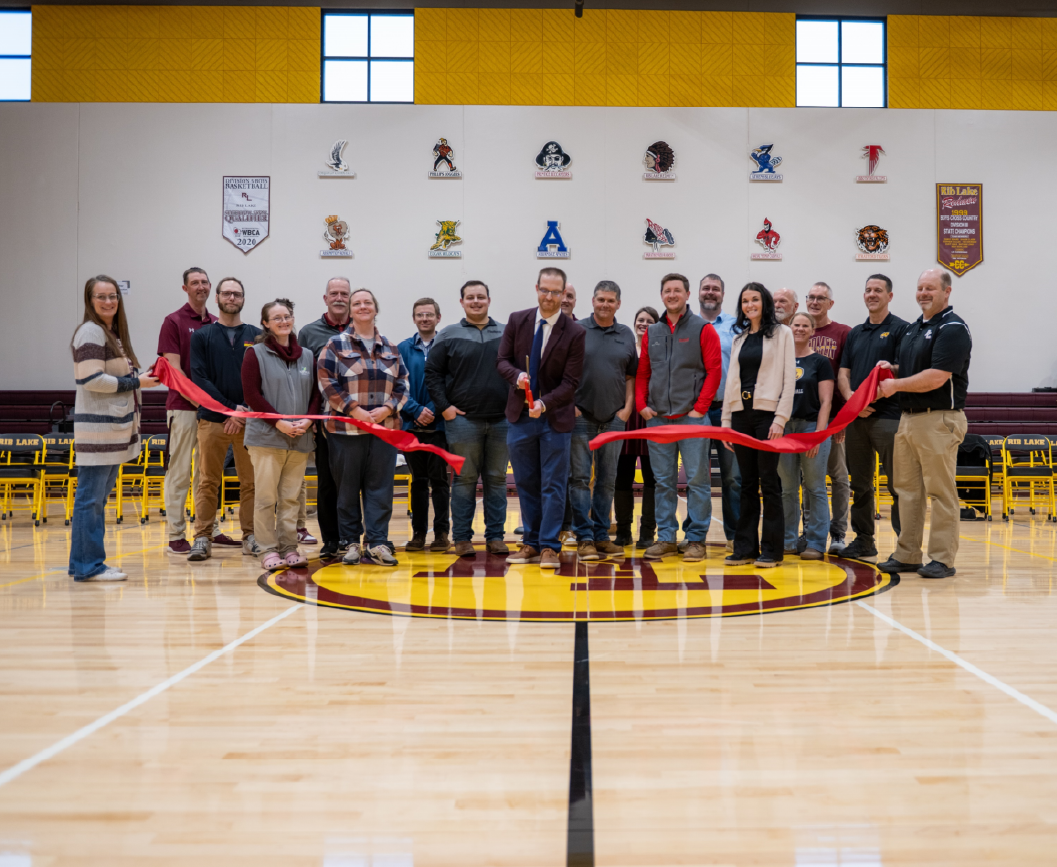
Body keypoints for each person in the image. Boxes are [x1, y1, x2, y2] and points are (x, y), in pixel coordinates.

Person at [875, 269, 971, 580]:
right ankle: (907, 553)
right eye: (919, 288)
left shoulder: (953, 329)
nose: (923, 294)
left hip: (939, 419)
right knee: (907, 491)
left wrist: (896, 384)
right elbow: (917, 368)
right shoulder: (916, 328)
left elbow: (937, 376)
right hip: (908, 419)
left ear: (947, 291)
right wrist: (894, 368)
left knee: (941, 492)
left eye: (930, 288)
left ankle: (942, 558)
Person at [69, 276, 160, 581]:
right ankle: (88, 566)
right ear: (90, 300)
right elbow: (91, 380)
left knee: (95, 501)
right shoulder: (91, 332)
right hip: (98, 434)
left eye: (113, 296)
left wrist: (141, 375)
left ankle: (86, 563)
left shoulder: (110, 334)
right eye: (101, 297)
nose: (108, 302)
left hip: (112, 434)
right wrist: (136, 382)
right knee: (90, 502)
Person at [496, 267, 586, 569]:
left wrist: (544, 404)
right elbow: (502, 361)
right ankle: (531, 543)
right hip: (519, 417)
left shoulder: (575, 332)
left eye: (555, 292)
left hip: (554, 419)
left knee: (554, 484)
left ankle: (549, 546)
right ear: (536, 289)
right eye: (544, 290)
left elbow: (571, 382)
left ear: (563, 295)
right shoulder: (517, 320)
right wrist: (517, 376)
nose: (549, 297)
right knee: (526, 482)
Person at [318, 288, 409, 567]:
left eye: (367, 302)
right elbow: (326, 382)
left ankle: (378, 543)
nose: (362, 306)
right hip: (346, 432)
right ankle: (350, 544)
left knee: (380, 489)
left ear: (375, 308)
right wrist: (355, 410)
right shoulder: (334, 345)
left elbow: (403, 386)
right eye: (356, 303)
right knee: (346, 490)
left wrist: (386, 410)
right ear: (350, 310)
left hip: (383, 431)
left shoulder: (392, 348)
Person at [635, 273, 722, 562]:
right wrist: (641, 405)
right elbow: (644, 372)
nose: (672, 295)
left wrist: (700, 407)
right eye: (667, 291)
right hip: (658, 419)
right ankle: (667, 538)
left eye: (677, 290)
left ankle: (696, 539)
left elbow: (714, 371)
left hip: (693, 418)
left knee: (697, 481)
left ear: (687, 295)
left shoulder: (703, 329)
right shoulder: (653, 332)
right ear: (662, 296)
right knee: (663, 482)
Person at [424, 281, 510, 558]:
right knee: (465, 480)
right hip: (462, 422)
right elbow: (432, 373)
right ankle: (461, 538)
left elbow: (519, 370)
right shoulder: (448, 334)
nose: (476, 301)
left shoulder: (507, 332)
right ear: (461, 302)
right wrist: (445, 408)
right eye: (470, 297)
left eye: (480, 297)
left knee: (497, 480)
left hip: (502, 421)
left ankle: (495, 536)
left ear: (489, 299)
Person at [242, 299, 321, 571]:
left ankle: (289, 547)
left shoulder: (308, 356)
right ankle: (267, 549)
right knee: (266, 498)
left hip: (299, 438)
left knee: (290, 499)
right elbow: (251, 394)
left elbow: (316, 394)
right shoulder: (255, 353)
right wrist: (279, 423)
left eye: (286, 316)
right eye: (276, 318)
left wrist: (308, 420)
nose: (283, 321)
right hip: (266, 438)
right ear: (265, 323)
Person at [186, 277, 260, 562]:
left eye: (237, 293)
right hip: (213, 420)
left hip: (248, 422)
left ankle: (250, 536)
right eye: (226, 293)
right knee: (208, 481)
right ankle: (202, 538)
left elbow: (260, 380)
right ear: (216, 298)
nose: (232, 297)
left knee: (250, 482)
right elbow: (200, 378)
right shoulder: (202, 336)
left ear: (243, 299)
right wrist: (230, 409)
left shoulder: (256, 334)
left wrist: (242, 413)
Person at [722, 283, 796, 568]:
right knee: (746, 483)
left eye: (755, 299)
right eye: (744, 301)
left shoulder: (782, 334)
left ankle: (772, 550)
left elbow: (790, 380)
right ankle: (745, 548)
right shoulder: (739, 339)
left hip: (767, 416)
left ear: (764, 302)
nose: (750, 305)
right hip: (741, 415)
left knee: (769, 482)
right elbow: (731, 382)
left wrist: (780, 418)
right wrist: (727, 421)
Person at [838, 274, 908, 563]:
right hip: (858, 420)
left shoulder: (902, 329)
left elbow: (903, 369)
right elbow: (844, 375)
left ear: (890, 296)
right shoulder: (855, 333)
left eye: (878, 290)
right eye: (868, 290)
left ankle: (906, 547)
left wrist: (869, 399)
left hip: (889, 418)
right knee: (861, 484)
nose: (872, 294)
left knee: (897, 485)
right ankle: (864, 541)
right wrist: (855, 400)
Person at [569, 281, 637, 560]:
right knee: (580, 479)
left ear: (618, 304)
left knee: (607, 480)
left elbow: (630, 376)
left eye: (610, 300)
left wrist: (627, 408)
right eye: (600, 299)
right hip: (581, 416)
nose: (605, 304)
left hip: (614, 418)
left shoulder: (626, 333)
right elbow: (564, 371)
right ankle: (583, 536)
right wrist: (570, 405)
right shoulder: (577, 330)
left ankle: (600, 536)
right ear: (593, 301)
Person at [157, 267, 218, 554]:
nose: (200, 287)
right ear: (185, 288)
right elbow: (174, 371)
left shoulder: (217, 323)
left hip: (212, 412)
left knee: (207, 475)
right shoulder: (173, 321)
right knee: (179, 472)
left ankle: (209, 530)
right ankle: (175, 534)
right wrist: (200, 402)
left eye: (205, 282)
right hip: (183, 408)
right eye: (195, 283)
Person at [298, 277, 353, 558]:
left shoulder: (363, 329)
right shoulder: (309, 333)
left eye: (344, 293)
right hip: (324, 422)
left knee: (354, 483)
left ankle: (352, 539)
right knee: (328, 483)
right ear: (326, 298)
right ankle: (331, 540)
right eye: (335, 293)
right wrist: (309, 418)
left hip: (356, 420)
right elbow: (303, 380)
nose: (339, 298)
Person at [776, 313, 834, 560]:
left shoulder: (821, 362)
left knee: (815, 488)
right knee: (788, 489)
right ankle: (788, 540)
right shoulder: (779, 361)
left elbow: (826, 401)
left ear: (813, 331)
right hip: (784, 429)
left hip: (812, 428)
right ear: (789, 329)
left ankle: (816, 543)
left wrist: (818, 436)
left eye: (804, 326)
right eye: (795, 325)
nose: (799, 329)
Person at [398, 298, 450, 554]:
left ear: (438, 318)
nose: (425, 319)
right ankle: (419, 533)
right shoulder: (402, 349)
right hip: (411, 425)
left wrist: (434, 409)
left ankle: (441, 533)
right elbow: (397, 386)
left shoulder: (449, 345)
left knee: (440, 481)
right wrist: (415, 410)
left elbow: (451, 383)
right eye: (420, 315)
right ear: (414, 318)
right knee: (418, 481)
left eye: (429, 315)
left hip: (440, 426)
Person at [805, 282, 852, 553]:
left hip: (835, 420)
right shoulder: (797, 330)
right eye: (810, 297)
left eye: (821, 298)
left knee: (838, 477)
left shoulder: (843, 332)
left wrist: (842, 420)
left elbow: (846, 376)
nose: (814, 301)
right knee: (809, 479)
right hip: (807, 419)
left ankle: (838, 533)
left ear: (830, 304)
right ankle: (810, 530)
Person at [696, 273, 740, 551]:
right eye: (706, 288)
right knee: (697, 477)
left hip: (728, 412)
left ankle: (736, 537)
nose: (710, 293)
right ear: (697, 293)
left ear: (723, 295)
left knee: (733, 478)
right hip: (696, 412)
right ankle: (695, 538)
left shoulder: (737, 327)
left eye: (715, 289)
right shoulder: (688, 326)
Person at [614, 307, 658, 548]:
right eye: (640, 320)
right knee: (622, 477)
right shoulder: (626, 349)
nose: (644, 324)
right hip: (626, 417)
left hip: (652, 418)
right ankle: (623, 531)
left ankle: (647, 533)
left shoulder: (659, 350)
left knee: (652, 479)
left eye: (650, 321)